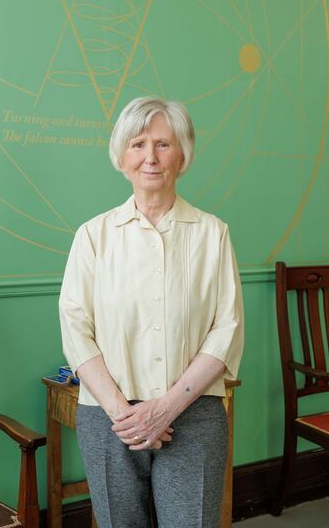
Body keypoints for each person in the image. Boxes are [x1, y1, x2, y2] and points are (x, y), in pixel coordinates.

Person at [59, 97, 244, 528]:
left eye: (163, 144)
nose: (150, 157)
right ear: (122, 157)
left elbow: (227, 328)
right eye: (138, 144)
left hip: (194, 414)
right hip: (109, 418)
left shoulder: (213, 234)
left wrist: (165, 408)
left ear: (182, 156)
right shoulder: (93, 235)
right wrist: (125, 414)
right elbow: (75, 328)